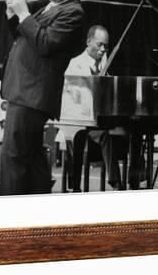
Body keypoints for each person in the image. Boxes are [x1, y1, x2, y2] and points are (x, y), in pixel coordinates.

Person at [0, 0, 86, 195]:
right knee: (33, 158)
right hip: (26, 91)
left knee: (13, 157)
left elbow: (45, 44)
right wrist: (12, 13)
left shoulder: (73, 12)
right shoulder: (51, 7)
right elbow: (23, 37)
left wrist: (24, 12)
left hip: (32, 93)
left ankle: (9, 215)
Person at [64, 25, 128, 191]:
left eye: (106, 46)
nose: (103, 49)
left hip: (101, 118)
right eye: (99, 45)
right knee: (105, 135)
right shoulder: (75, 64)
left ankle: (138, 174)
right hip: (80, 121)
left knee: (132, 129)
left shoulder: (107, 63)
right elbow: (73, 96)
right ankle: (116, 183)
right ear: (88, 42)